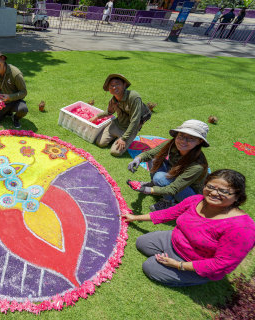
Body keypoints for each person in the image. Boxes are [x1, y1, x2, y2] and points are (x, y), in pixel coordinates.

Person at [122, 169, 255, 287]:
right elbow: (168, 213)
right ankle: (169, 256)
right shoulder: (197, 200)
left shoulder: (242, 228)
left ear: (237, 196)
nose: (214, 193)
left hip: (196, 262)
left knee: (150, 267)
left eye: (224, 191)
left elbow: (221, 264)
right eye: (211, 186)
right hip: (175, 240)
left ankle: (193, 279)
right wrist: (135, 217)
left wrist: (179, 265)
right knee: (141, 243)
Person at [126, 119, 209, 211]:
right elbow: (150, 154)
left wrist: (149, 190)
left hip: (191, 194)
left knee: (160, 178)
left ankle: (168, 202)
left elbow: (174, 189)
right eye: (181, 136)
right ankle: (155, 184)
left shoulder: (197, 166)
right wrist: (138, 159)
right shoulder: (172, 144)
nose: (183, 141)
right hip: (175, 177)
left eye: (191, 138)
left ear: (199, 141)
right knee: (155, 159)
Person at [90, 74, 151, 157]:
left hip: (129, 129)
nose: (114, 87)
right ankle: (115, 137)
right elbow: (109, 112)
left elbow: (135, 120)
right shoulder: (113, 100)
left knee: (115, 152)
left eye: (117, 84)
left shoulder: (133, 97)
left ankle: (121, 138)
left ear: (124, 85)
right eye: (111, 85)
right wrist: (97, 116)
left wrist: (124, 138)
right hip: (117, 124)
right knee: (100, 143)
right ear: (109, 89)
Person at [0, 48, 28, 129]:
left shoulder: (15, 73)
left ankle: (15, 118)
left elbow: (24, 92)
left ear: (3, 59)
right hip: (3, 103)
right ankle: (7, 112)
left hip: (16, 101)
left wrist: (10, 97)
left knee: (23, 109)